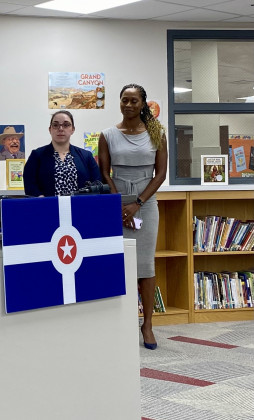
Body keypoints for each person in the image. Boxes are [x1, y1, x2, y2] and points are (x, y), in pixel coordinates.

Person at [98, 83, 167, 350]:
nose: (128, 105)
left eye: (134, 101)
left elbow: (160, 175)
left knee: (146, 266)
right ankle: (123, 321)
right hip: (116, 202)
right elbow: (105, 173)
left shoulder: (156, 133)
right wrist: (119, 203)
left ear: (143, 104)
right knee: (119, 264)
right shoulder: (108, 135)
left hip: (146, 203)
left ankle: (147, 324)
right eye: (124, 100)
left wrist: (137, 203)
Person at [23, 110, 100, 197]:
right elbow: (29, 184)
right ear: (50, 129)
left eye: (66, 125)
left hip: (80, 207)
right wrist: (40, 198)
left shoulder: (86, 156)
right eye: (55, 125)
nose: (60, 129)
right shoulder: (37, 156)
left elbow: (97, 184)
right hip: (48, 207)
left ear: (73, 129)